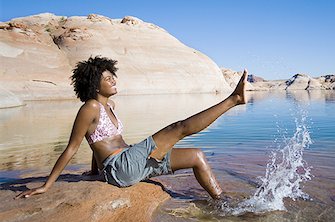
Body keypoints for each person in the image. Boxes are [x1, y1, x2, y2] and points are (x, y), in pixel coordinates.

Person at [16, 56, 247, 199]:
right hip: (120, 167)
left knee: (197, 156)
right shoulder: (90, 107)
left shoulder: (110, 106)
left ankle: (223, 203)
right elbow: (72, 147)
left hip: (131, 162)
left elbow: (95, 141)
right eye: (107, 78)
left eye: (112, 76)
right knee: (179, 128)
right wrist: (47, 186)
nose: (113, 80)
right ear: (93, 83)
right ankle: (233, 100)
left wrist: (95, 172)